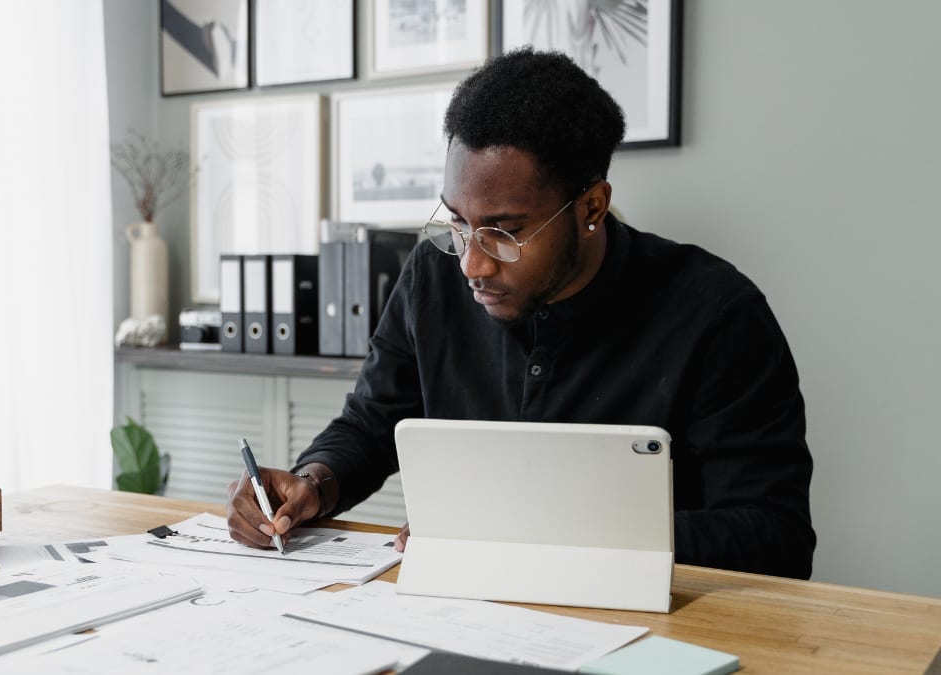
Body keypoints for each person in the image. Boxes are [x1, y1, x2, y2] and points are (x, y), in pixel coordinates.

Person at [226, 49, 815, 579]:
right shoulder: (432, 277)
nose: (471, 266)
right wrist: (313, 483)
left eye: (504, 232)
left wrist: (538, 539)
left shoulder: (717, 314)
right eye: (457, 223)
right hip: (468, 613)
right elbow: (371, 425)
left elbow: (775, 537)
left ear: (591, 206)